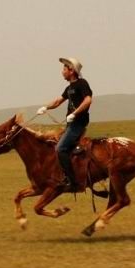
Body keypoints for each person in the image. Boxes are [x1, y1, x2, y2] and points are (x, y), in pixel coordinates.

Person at [37, 57, 93, 192]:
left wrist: (75, 114)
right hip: (71, 124)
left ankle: (73, 181)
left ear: (71, 70)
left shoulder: (82, 83)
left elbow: (88, 100)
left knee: (60, 149)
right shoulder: (69, 88)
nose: (62, 72)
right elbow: (58, 101)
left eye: (64, 69)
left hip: (77, 123)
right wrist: (46, 107)